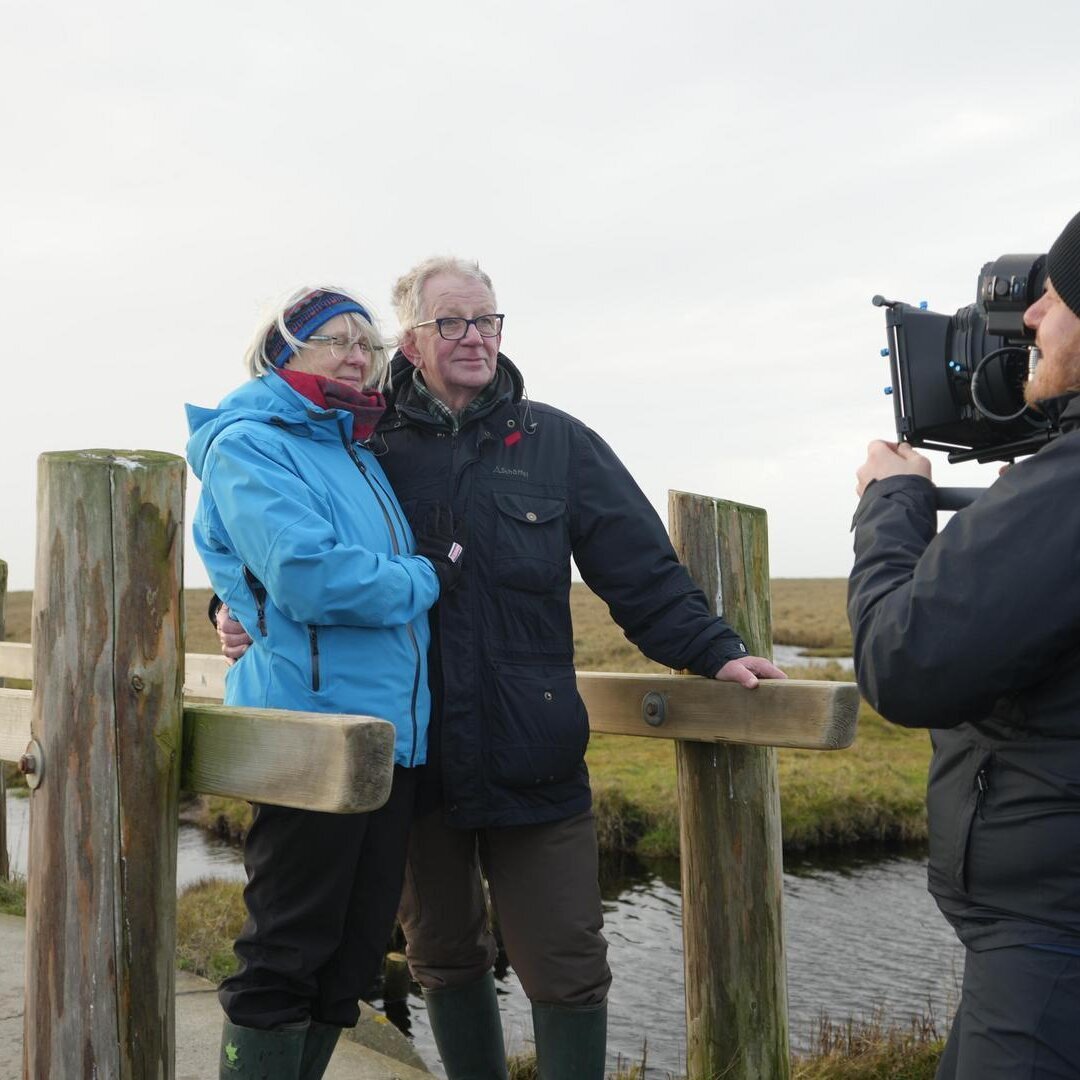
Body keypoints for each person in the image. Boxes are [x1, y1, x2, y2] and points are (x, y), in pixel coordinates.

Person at [218, 259, 784, 1079]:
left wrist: (717, 651)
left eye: (488, 320)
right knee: (442, 956)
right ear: (408, 341)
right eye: (452, 322)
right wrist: (232, 611)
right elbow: (284, 548)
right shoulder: (363, 444)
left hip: (534, 754)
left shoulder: (557, 441)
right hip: (417, 765)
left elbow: (641, 572)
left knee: (567, 962)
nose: (475, 336)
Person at [186, 286, 462, 1080]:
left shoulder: (351, 446)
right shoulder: (250, 443)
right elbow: (309, 578)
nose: (354, 355)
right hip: (307, 735)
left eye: (365, 345)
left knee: (349, 960)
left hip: (385, 742)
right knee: (288, 949)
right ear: (282, 351)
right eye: (333, 339)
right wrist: (422, 577)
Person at [848, 210, 1080, 1079]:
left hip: (1050, 946)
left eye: (1053, 298)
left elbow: (902, 662)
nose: (1028, 322)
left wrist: (891, 505)